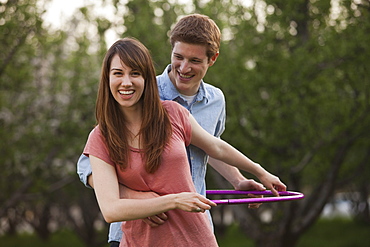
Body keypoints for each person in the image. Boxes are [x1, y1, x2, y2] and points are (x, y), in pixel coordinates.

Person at [77, 14, 270, 246]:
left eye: (195, 60)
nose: (184, 67)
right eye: (178, 57)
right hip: (137, 229)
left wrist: (239, 179)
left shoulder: (211, 102)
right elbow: (87, 165)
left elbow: (211, 147)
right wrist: (143, 199)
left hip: (192, 224)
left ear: (212, 59)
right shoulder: (142, 92)